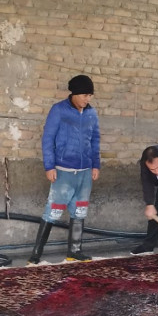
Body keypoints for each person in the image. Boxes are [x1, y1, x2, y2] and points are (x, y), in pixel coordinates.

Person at [27, 74, 101, 264]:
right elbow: (48, 139)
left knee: (80, 211)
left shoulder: (92, 113)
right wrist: (49, 166)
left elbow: (95, 140)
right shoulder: (59, 110)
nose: (87, 99)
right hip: (63, 171)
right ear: (74, 94)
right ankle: (36, 254)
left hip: (85, 172)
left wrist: (96, 164)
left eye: (90, 95)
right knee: (53, 211)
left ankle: (74, 251)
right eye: (84, 95)